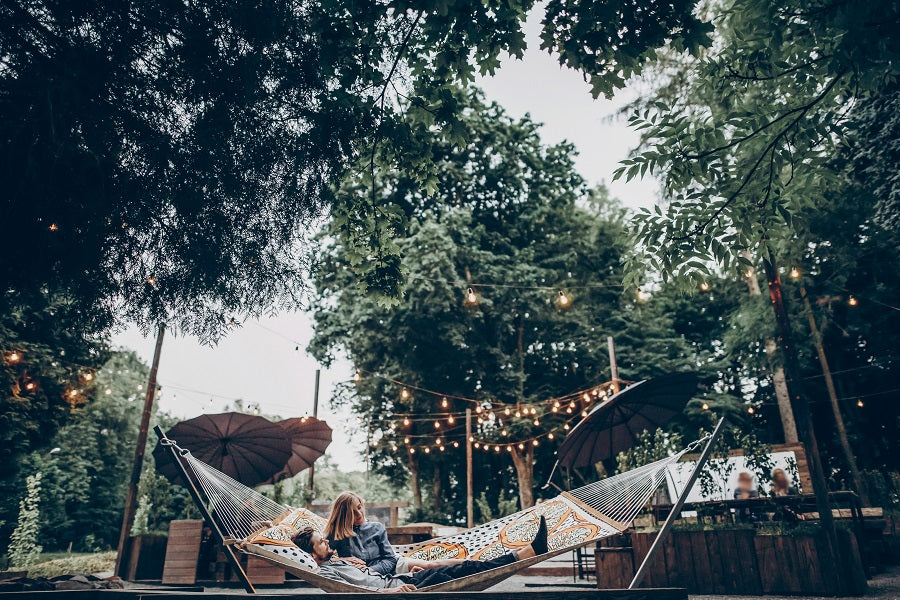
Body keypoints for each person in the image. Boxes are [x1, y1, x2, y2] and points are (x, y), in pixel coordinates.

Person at [292, 516, 549, 592]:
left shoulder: (335, 560)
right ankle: (525, 553)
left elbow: (370, 574)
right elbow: (360, 592)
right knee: (461, 570)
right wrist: (392, 590)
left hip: (405, 579)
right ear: (313, 555)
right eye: (320, 543)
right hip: (401, 585)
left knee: (461, 568)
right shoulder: (326, 572)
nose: (326, 541)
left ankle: (523, 553)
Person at [325, 491, 462, 575]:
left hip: (391, 564)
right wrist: (344, 559)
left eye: (359, 507)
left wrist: (371, 571)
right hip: (362, 577)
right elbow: (322, 558)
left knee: (430, 566)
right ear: (344, 515)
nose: (359, 513)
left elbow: (390, 559)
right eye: (352, 512)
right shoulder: (337, 533)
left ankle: (474, 564)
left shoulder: (377, 528)